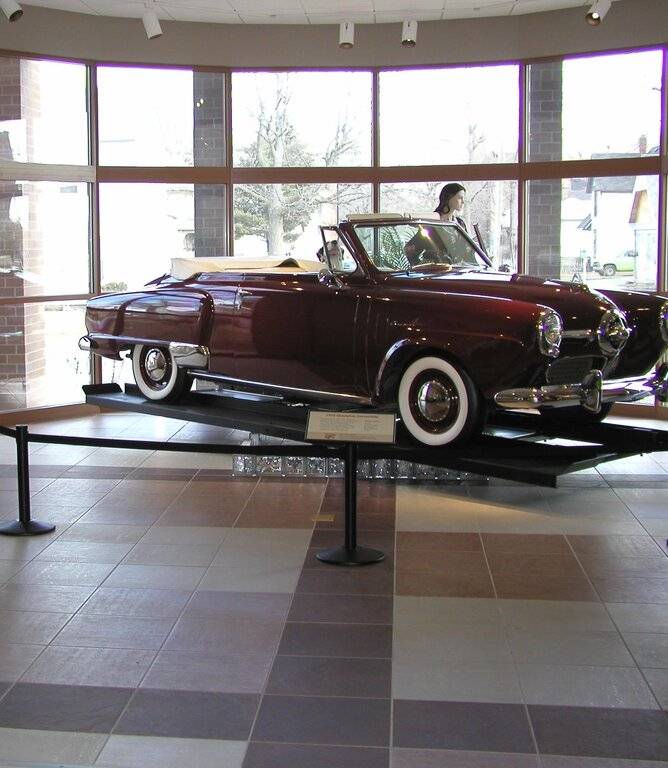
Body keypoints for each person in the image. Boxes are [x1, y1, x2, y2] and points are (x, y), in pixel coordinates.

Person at [404, 182, 468, 266]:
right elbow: (409, 249)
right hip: (438, 274)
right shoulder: (432, 224)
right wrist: (421, 267)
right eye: (460, 198)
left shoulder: (460, 223)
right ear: (449, 197)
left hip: (459, 271)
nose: (463, 201)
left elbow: (467, 251)